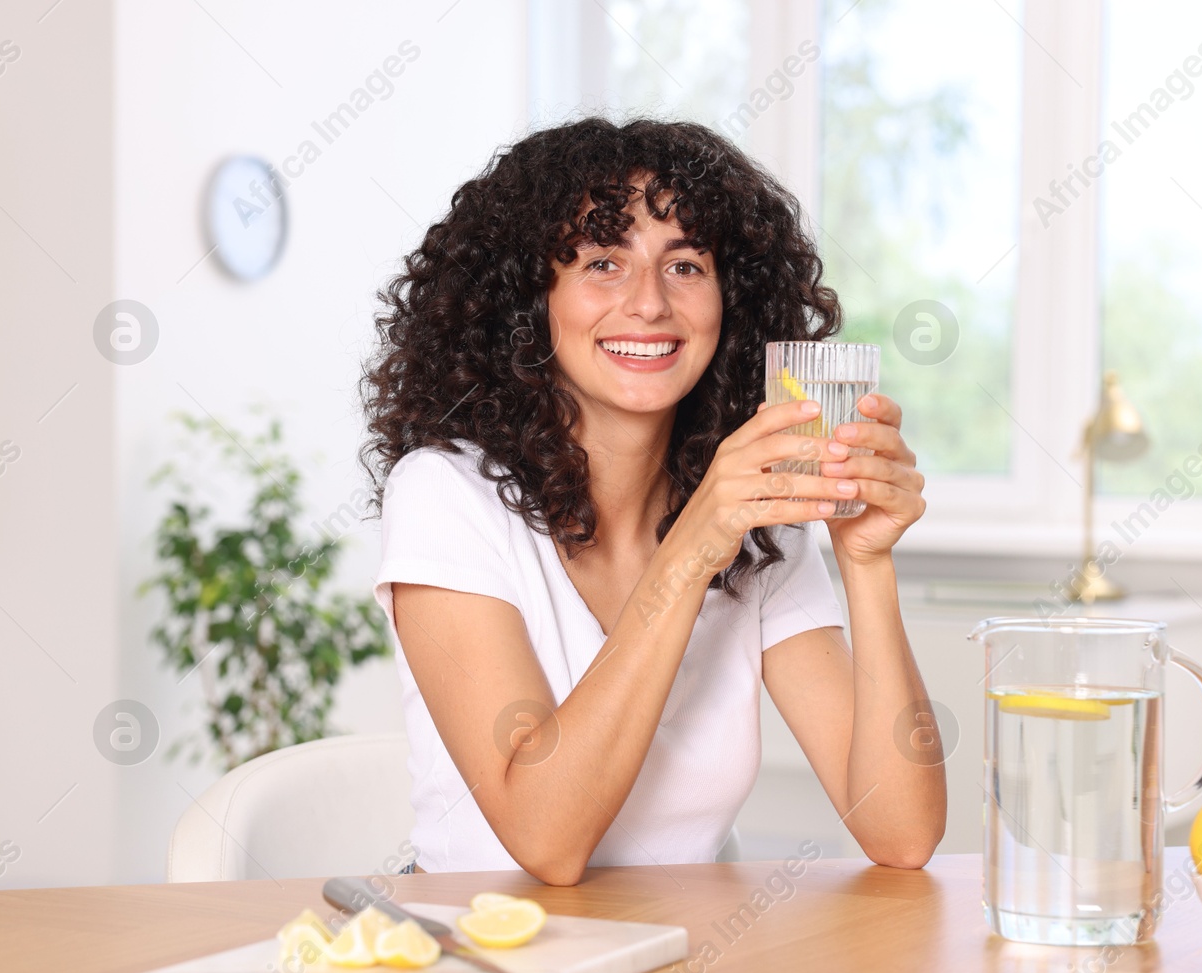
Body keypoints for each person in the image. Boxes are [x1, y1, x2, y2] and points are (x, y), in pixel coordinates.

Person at [360, 116, 944, 884]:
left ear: (730, 300)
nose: (649, 304)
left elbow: (899, 832)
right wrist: (693, 550)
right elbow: (546, 840)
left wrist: (866, 560)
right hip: (490, 962)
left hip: (679, 971)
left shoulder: (754, 515)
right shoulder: (446, 495)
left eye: (687, 266)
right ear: (529, 302)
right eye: (603, 261)